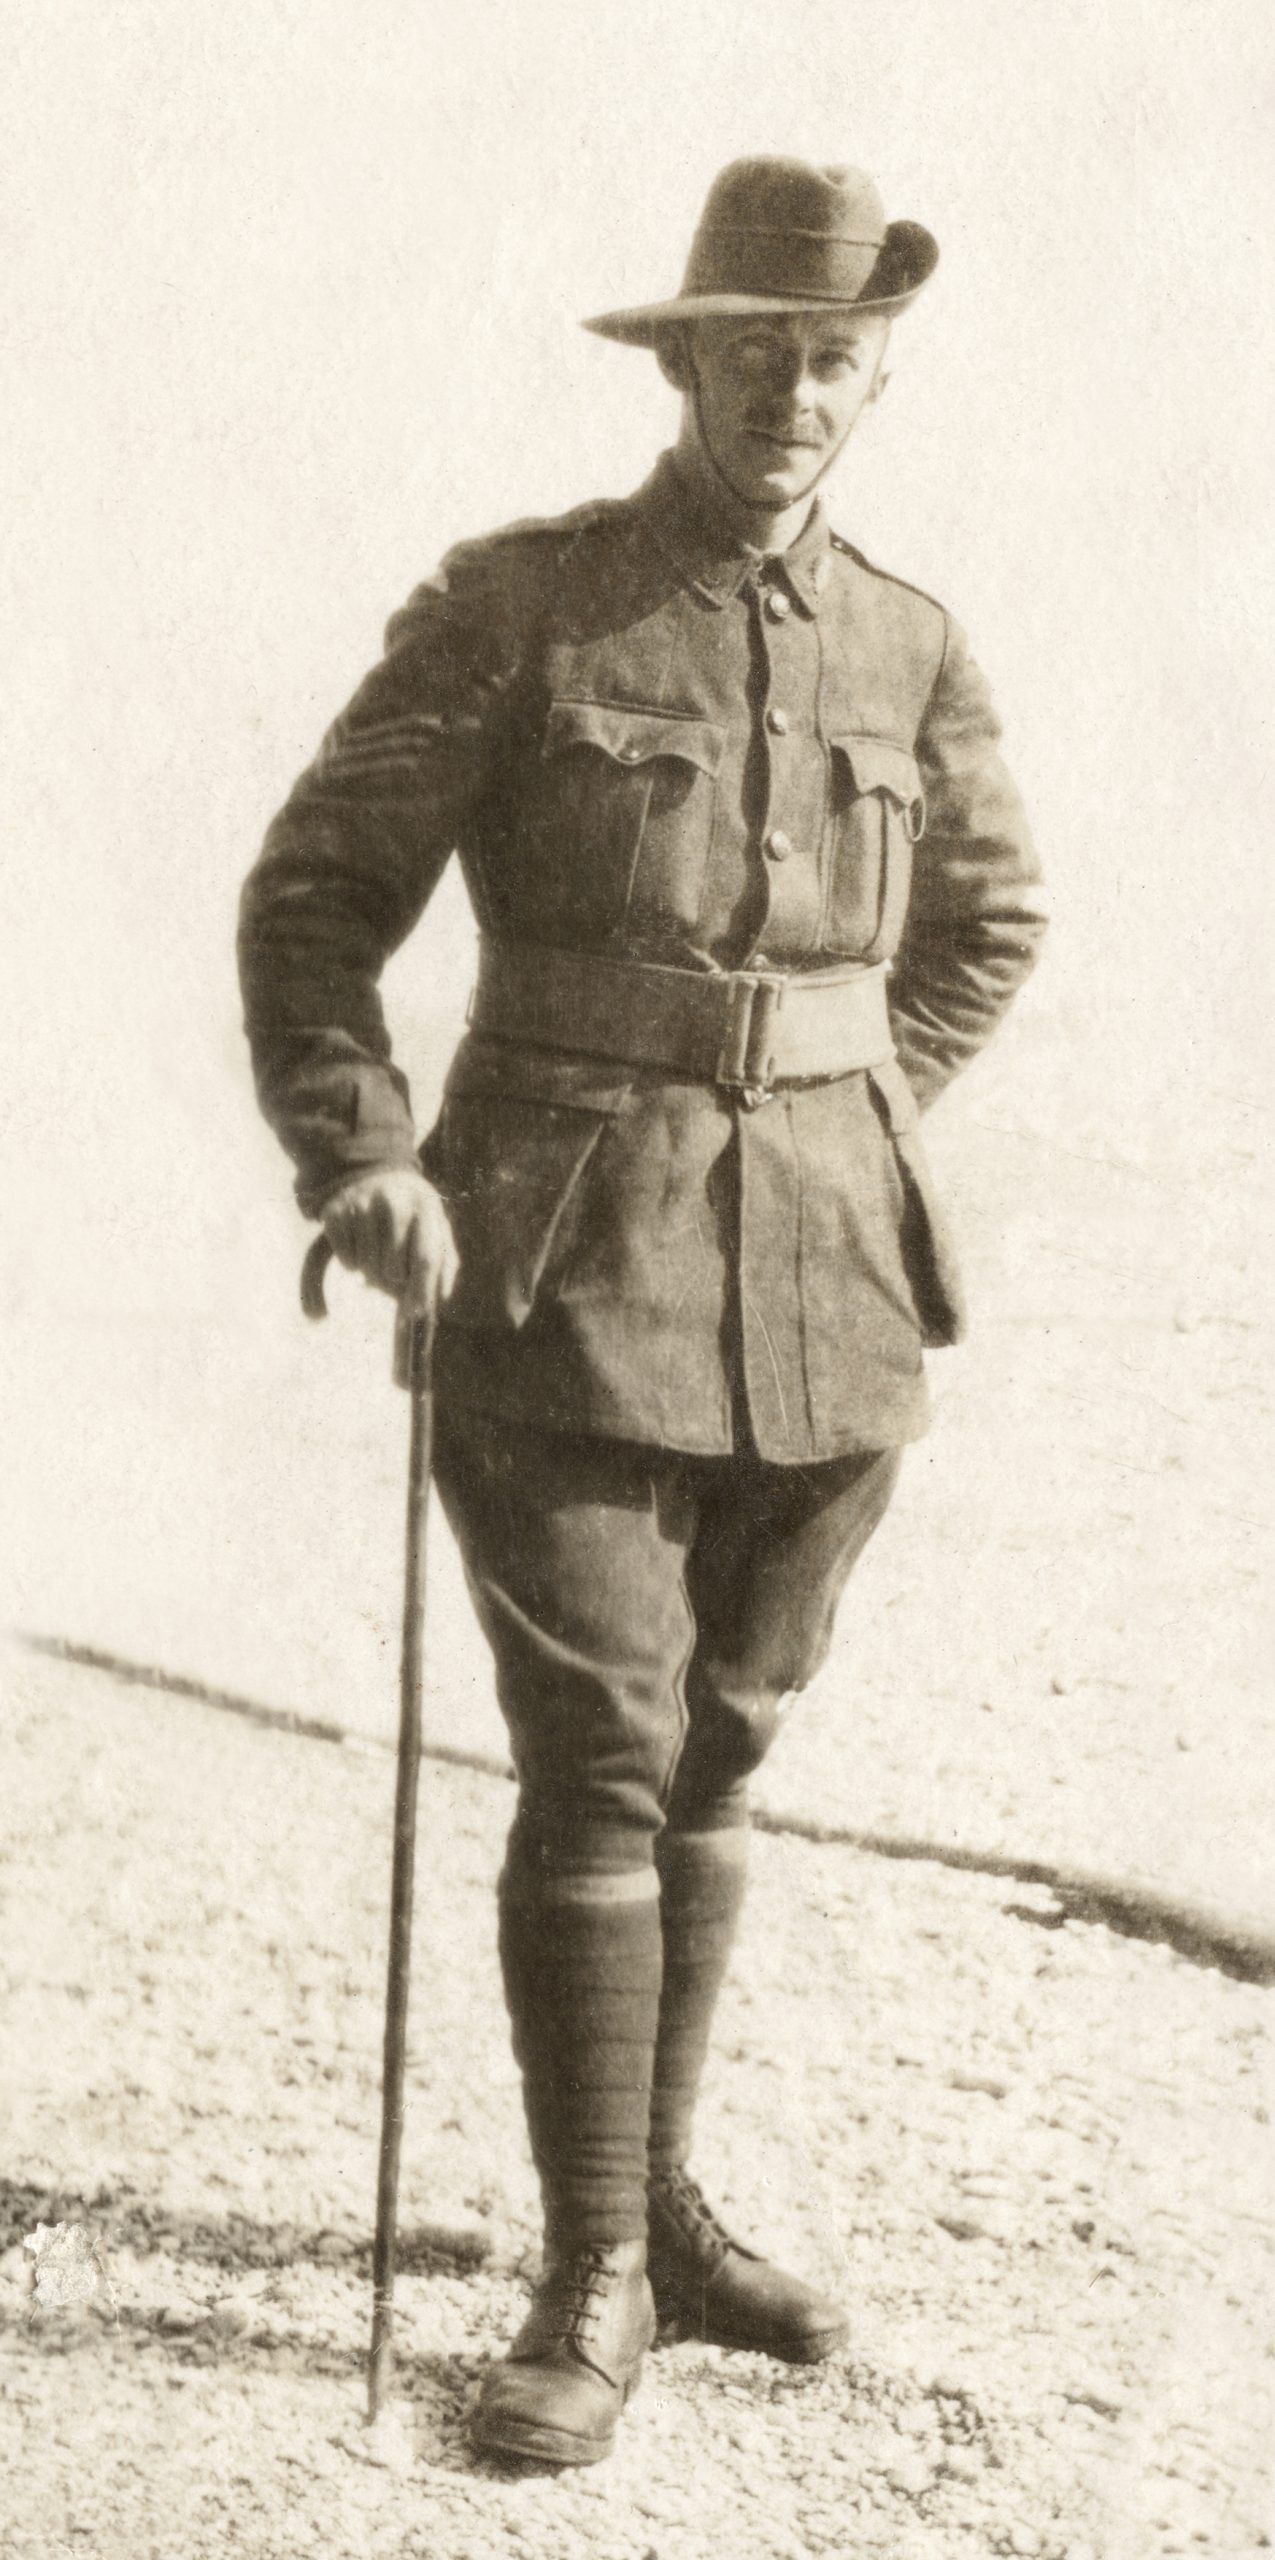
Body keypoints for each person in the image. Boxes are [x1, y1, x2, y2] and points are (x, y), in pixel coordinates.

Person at [238, 155, 1046, 2468]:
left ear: (866, 373)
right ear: (677, 357)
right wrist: (370, 1158)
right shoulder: (523, 608)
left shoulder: (909, 641)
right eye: (752, 347)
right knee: (598, 1750)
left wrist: (844, 1108)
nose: (792, 391)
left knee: (728, 1745)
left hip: (828, 1283)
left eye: (833, 356)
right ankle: (586, 2265)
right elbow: (314, 900)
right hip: (560, 1261)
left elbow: (983, 917)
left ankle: (666, 2210)